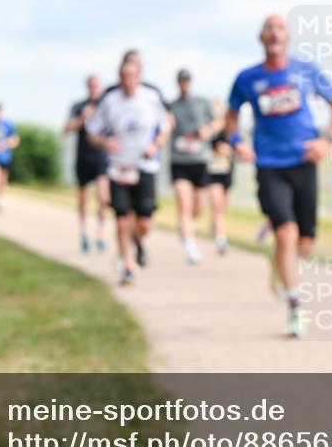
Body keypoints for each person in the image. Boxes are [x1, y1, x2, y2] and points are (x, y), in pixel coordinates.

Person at [225, 14, 332, 337]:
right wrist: (237, 143)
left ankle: (277, 263)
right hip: (269, 165)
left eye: (280, 28)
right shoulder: (247, 78)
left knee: (305, 245)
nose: (274, 33)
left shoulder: (306, 70)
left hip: (304, 161)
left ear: (287, 37)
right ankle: (295, 308)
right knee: (286, 234)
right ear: (261, 38)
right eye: (268, 28)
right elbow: (231, 120)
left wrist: (324, 140)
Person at [87, 59, 171, 286]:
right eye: (124, 76)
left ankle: (136, 242)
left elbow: (166, 127)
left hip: (144, 165)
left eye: (132, 76)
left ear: (140, 76)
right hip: (118, 167)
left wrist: (156, 145)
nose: (128, 81)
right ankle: (128, 266)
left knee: (145, 222)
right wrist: (105, 142)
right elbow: (92, 131)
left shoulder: (151, 98)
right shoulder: (110, 101)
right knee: (122, 219)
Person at [168, 69, 223, 264]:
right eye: (181, 81)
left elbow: (218, 121)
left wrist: (207, 131)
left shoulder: (202, 102)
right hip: (179, 161)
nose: (184, 84)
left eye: (187, 81)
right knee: (184, 203)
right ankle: (190, 246)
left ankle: (188, 228)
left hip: (199, 160)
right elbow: (165, 126)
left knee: (197, 207)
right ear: (177, 83)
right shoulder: (172, 106)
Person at [65, 74, 109, 253]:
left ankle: (100, 233)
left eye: (96, 85)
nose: (94, 88)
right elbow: (66, 128)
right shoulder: (78, 106)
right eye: (91, 85)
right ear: (87, 86)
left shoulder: (106, 106)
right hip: (83, 157)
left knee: (103, 197)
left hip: (102, 157)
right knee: (83, 198)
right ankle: (83, 233)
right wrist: (82, 119)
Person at [206, 100, 234, 256]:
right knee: (217, 205)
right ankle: (221, 239)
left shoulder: (230, 130)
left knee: (223, 208)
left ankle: (216, 227)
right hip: (213, 172)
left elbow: (234, 149)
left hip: (227, 172)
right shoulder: (209, 129)